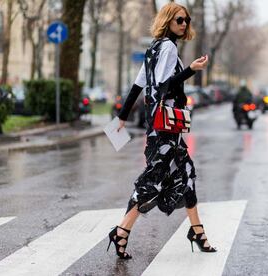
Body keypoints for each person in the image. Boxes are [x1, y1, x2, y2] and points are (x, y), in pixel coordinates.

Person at [107, 2, 216, 259]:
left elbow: (138, 85)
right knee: (153, 182)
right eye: (180, 20)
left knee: (185, 174)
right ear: (167, 20)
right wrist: (191, 69)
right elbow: (162, 86)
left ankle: (197, 231)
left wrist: (121, 117)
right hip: (165, 129)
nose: (184, 24)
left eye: (187, 20)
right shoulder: (166, 47)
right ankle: (121, 230)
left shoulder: (153, 48)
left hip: (162, 128)